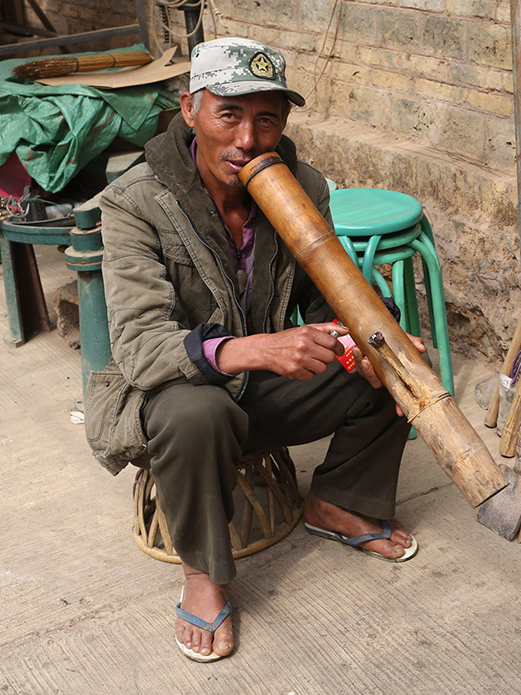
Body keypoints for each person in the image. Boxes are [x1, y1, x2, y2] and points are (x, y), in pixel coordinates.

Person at [86, 37, 420, 663]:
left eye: (266, 117)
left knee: (389, 360)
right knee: (195, 411)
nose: (247, 139)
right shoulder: (135, 202)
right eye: (229, 114)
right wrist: (258, 349)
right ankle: (204, 573)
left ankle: (340, 501)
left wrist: (371, 340)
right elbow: (140, 347)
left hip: (258, 389)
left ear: (284, 122)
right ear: (189, 110)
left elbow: (329, 302)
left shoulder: (303, 185)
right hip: (172, 394)